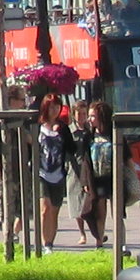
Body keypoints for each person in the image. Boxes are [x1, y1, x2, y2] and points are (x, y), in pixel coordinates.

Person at [33, 92, 75, 250]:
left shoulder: (63, 128)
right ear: (46, 108)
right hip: (41, 173)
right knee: (45, 208)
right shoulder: (38, 126)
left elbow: (71, 149)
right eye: (51, 107)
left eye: (57, 107)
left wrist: (61, 133)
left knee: (54, 211)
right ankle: (45, 244)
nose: (55, 110)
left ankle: (50, 243)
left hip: (58, 174)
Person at [78, 100, 114, 245]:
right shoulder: (89, 136)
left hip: (113, 177)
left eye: (93, 116)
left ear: (101, 117)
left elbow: (126, 156)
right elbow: (85, 161)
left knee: (117, 212)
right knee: (99, 211)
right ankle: (99, 241)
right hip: (97, 178)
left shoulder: (113, 134)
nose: (89, 119)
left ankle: (121, 244)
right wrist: (85, 181)